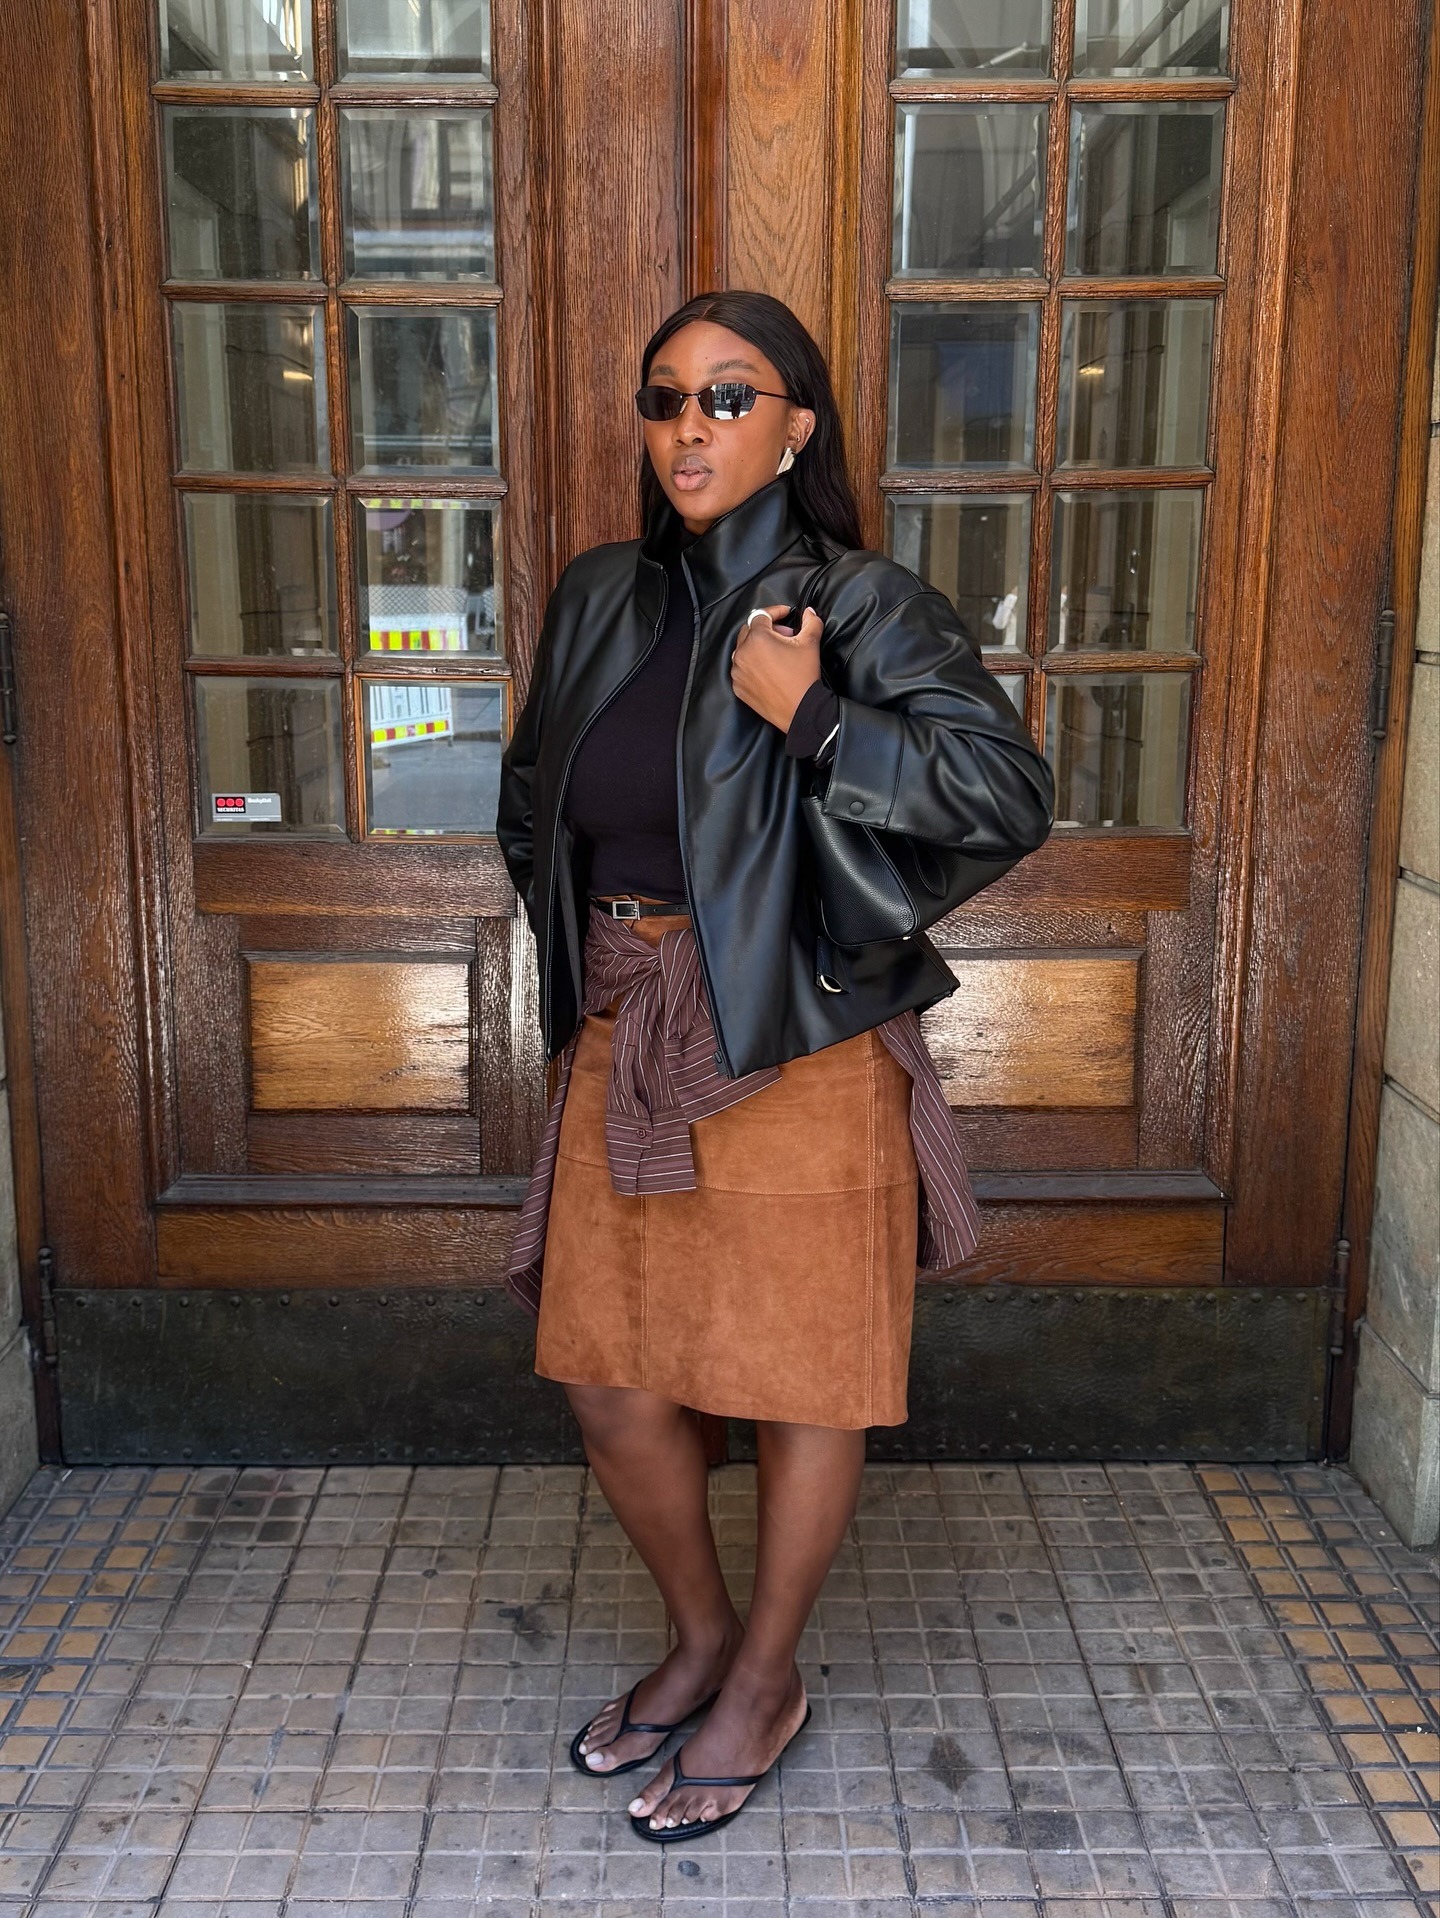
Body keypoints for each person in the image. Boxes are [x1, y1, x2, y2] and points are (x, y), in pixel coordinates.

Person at [496, 290, 1054, 1843]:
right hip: (634, 1024)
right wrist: (593, 945)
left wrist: (813, 717)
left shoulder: (860, 607)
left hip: (800, 1039)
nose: (689, 426)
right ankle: (697, 1636)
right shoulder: (600, 593)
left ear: (796, 425)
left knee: (808, 1382)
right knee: (610, 1383)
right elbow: (535, 784)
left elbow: (1004, 792)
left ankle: (765, 1676)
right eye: (664, 396)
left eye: (730, 398)